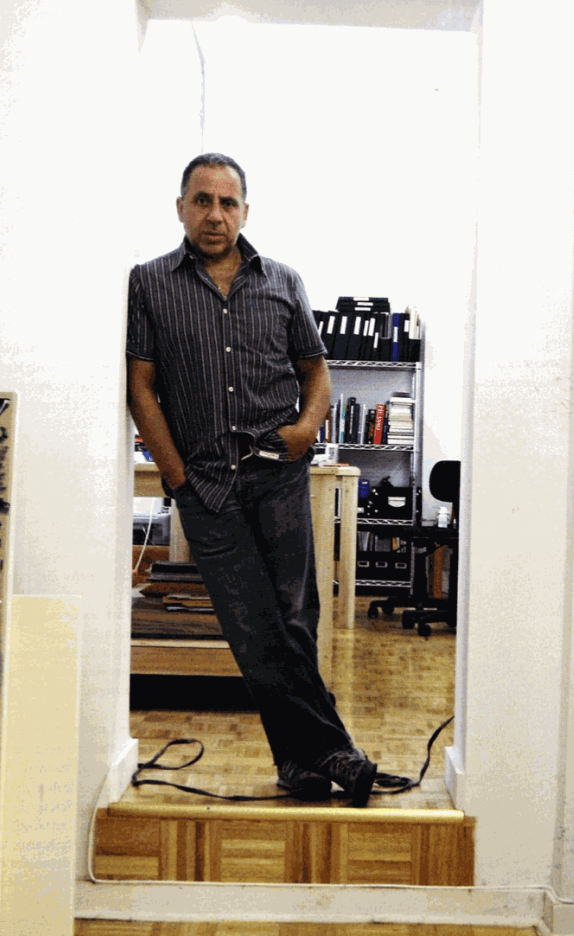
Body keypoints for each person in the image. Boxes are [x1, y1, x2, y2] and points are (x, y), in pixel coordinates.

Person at [126, 153, 378, 806]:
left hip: (279, 476)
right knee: (249, 626)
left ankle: (300, 763)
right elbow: (141, 386)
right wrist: (175, 475)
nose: (215, 214)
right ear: (181, 207)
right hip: (206, 487)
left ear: (245, 210)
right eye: (202, 200)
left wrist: (306, 430)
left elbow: (316, 371)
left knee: (295, 619)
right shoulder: (148, 283)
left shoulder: (283, 281)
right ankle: (337, 753)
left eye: (227, 202)